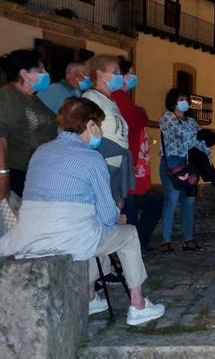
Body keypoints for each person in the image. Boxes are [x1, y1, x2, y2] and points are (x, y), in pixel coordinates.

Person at [0, 97, 165, 326]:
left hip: (29, 235)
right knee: (127, 235)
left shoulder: (41, 152)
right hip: (71, 237)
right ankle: (138, 305)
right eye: (98, 125)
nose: (99, 132)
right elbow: (108, 215)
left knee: (96, 237)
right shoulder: (91, 158)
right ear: (90, 125)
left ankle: (90, 297)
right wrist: (117, 217)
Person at [112, 57, 161, 252]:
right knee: (130, 207)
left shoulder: (122, 98)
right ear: (120, 76)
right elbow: (137, 118)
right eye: (130, 73)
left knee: (154, 201)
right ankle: (131, 249)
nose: (133, 77)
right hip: (124, 166)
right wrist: (141, 114)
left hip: (130, 165)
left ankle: (138, 243)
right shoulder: (118, 98)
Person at [158, 88, 210, 254]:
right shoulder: (167, 117)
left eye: (186, 99)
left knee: (189, 203)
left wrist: (197, 141)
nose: (185, 102)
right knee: (171, 202)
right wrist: (196, 139)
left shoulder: (192, 122)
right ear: (173, 101)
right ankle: (166, 241)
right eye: (181, 99)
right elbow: (186, 137)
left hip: (190, 164)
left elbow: (202, 142)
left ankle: (189, 239)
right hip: (173, 163)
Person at [0, 49, 57, 199]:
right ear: (25, 74)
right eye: (40, 70)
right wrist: (3, 173)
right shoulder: (8, 96)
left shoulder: (34, 99)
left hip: (36, 172)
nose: (45, 73)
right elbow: (1, 135)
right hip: (17, 172)